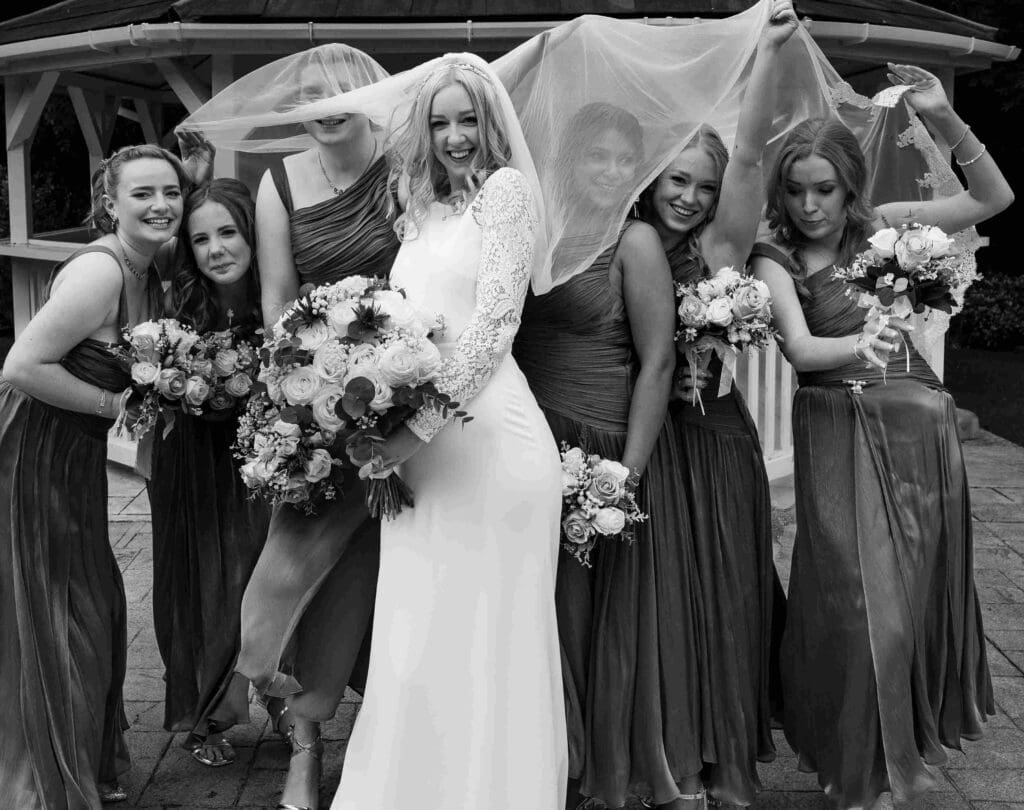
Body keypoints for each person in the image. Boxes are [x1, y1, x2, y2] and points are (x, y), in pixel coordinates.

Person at [750, 64, 1013, 808]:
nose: (808, 205)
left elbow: (993, 198)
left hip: (920, 432)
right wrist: (868, 339)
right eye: (795, 190)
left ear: (850, 186)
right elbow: (803, 351)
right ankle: (856, 759)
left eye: (824, 189)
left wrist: (943, 118)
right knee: (855, 601)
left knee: (912, 600)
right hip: (837, 426)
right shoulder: (774, 256)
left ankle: (888, 756)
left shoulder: (888, 226)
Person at [329, 54, 566, 809]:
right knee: (417, 632)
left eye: (468, 119)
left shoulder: (506, 193)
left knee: (491, 637)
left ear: (491, 123)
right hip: (421, 456)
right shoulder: (424, 208)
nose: (456, 136)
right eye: (440, 122)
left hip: (489, 446)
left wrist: (412, 433)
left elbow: (493, 328)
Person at [184, 44, 396, 810]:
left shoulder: (406, 170)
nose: (326, 104)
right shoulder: (279, 182)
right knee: (312, 572)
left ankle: (392, 741)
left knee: (398, 575)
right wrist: (310, 392)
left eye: (342, 91)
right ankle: (306, 744)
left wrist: (399, 377)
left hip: (409, 393)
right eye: (312, 94)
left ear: (372, 95)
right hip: (319, 402)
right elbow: (278, 300)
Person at [515, 96, 706, 809]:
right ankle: (544, 751)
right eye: (599, 154)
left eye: (627, 160)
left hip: (603, 446)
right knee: (536, 602)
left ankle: (595, 761)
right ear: (570, 161)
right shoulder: (537, 234)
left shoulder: (637, 242)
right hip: (528, 438)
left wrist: (626, 472)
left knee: (593, 609)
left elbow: (658, 363)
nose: (613, 170)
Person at [635, 2, 796, 804]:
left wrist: (766, 54)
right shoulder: (617, 246)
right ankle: (673, 756)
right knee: (665, 604)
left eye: (704, 185)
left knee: (728, 594)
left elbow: (752, 155)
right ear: (651, 180)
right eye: (677, 180)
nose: (692, 197)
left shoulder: (718, 248)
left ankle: (729, 763)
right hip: (650, 442)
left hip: (718, 437)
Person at [0, 144, 187, 808]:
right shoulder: (99, 273)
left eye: (171, 191)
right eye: (143, 193)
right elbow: (21, 366)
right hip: (30, 452)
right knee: (56, 605)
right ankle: (39, 774)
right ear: (110, 204)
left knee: (91, 600)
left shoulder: (147, 264)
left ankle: (75, 754)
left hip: (71, 456)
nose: (161, 204)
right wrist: (118, 406)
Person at [146, 178, 270, 767]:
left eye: (228, 232)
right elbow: (147, 231)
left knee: (263, 572)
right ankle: (205, 716)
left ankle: (283, 696)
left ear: (253, 233)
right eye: (201, 239)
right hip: (192, 459)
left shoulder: (280, 293)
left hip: (263, 452)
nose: (216, 249)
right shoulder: (180, 303)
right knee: (203, 582)